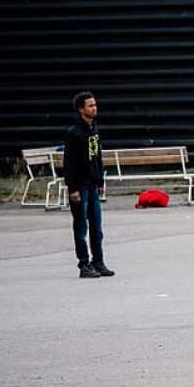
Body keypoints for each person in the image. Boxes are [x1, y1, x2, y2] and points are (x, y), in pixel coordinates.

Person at [64, 92, 114, 278]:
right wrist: (73, 188)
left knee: (96, 226)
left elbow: (97, 157)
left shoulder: (95, 130)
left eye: (95, 105)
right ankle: (84, 264)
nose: (94, 108)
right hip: (80, 186)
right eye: (90, 105)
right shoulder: (74, 133)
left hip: (93, 184)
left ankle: (98, 261)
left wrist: (100, 180)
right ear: (81, 109)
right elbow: (69, 162)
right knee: (80, 226)